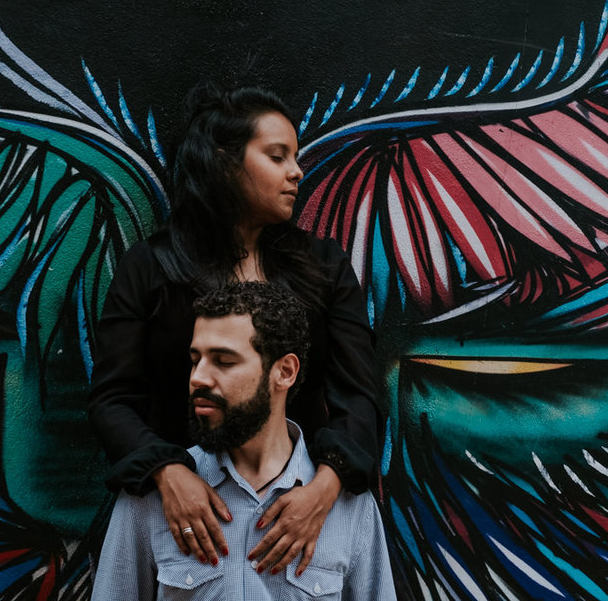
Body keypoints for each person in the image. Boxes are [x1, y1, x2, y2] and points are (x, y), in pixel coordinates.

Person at [88, 85, 380, 576]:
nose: (296, 172)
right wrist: (166, 470)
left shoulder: (324, 268)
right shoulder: (150, 269)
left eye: (296, 157)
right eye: (276, 156)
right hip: (178, 523)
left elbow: (361, 393)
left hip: (291, 517)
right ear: (224, 163)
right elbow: (110, 398)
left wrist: (327, 489)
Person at [93, 282, 395, 600]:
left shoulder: (349, 507)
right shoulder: (154, 499)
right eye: (196, 359)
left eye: (224, 361)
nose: (197, 377)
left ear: (285, 371)